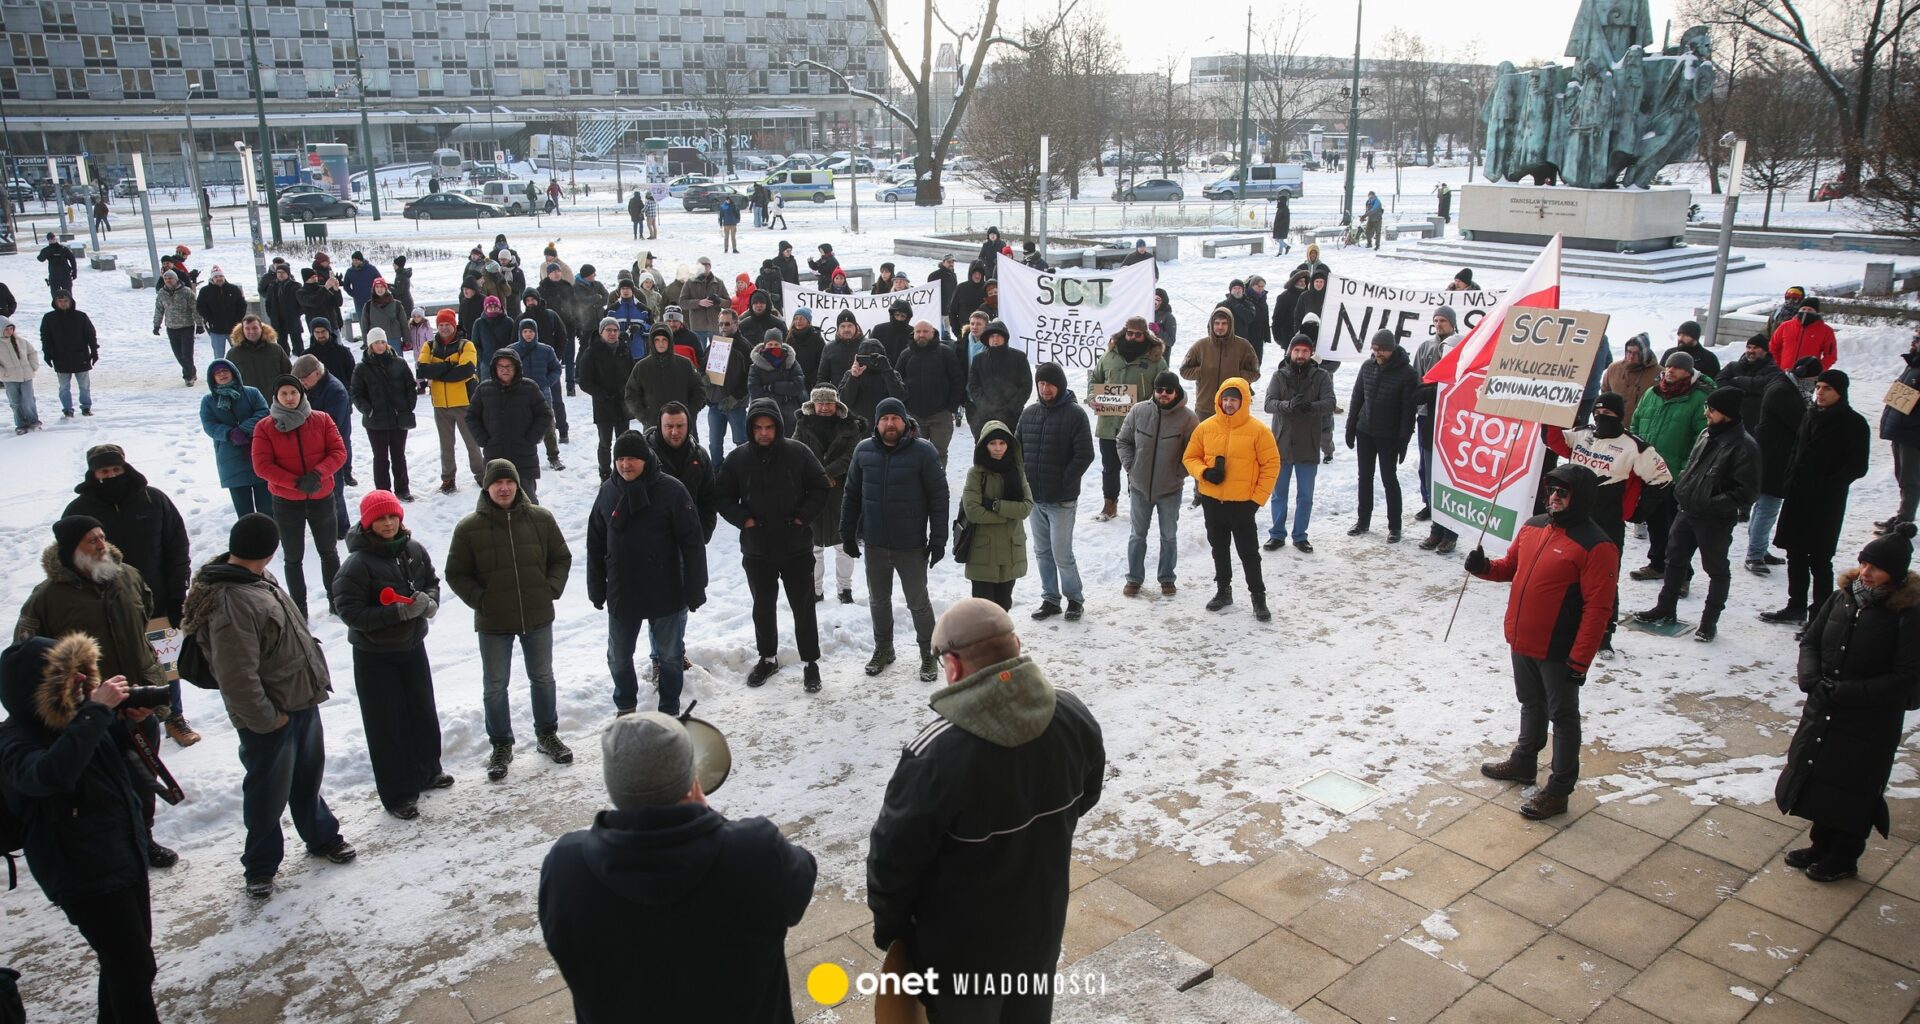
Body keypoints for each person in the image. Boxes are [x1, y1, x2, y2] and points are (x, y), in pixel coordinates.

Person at [866, 598, 1105, 1024]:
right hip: (1040, 929)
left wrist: (893, 930)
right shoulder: (1072, 715)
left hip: (959, 955)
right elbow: (1086, 796)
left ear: (953, 667)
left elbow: (894, 862)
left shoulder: (934, 755)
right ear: (1016, 645)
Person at [540, 712, 816, 1024]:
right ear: (692, 782)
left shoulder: (566, 868)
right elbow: (802, 878)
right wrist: (706, 818)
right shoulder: (754, 852)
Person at [182, 513, 356, 898]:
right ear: (270, 549)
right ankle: (260, 867)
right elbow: (236, 675)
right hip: (272, 715)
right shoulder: (230, 600)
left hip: (300, 699)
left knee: (307, 778)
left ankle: (322, 837)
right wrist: (266, 720)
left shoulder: (258, 578)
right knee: (266, 793)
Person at [0, 634, 162, 1023]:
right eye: (68, 677)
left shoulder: (80, 718)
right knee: (133, 967)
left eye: (81, 674)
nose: (79, 683)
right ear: (41, 687)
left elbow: (120, 768)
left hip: (121, 853)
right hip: (81, 871)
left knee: (127, 965)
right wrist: (95, 714)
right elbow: (51, 774)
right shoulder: (15, 739)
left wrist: (130, 723)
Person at [16, 515, 180, 864]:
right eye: (91, 540)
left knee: (142, 781)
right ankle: (109, 849)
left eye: (102, 536)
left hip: (138, 705)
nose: (101, 544)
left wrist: (149, 692)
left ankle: (142, 838)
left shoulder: (129, 577)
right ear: (70, 550)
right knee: (102, 787)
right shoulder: (46, 599)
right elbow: (27, 660)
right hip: (90, 715)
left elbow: (146, 631)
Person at [1466, 464, 1620, 820]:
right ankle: (1524, 761)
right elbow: (1510, 567)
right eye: (1552, 490)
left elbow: (1599, 609)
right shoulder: (1534, 527)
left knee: (1563, 718)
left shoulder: (1597, 546)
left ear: (1579, 498)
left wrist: (1580, 661)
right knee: (1529, 703)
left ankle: (1559, 789)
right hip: (1522, 639)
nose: (1554, 497)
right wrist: (1483, 567)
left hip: (1559, 650)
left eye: (1562, 492)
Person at [1772, 523, 1920, 883]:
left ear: (1896, 575)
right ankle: (1821, 843)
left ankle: (1845, 855)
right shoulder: (1844, 597)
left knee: (1855, 785)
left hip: (1870, 719)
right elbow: (1812, 640)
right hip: (1827, 705)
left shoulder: (1907, 614)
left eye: (1876, 567)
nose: (1867, 572)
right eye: (1864, 563)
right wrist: (1811, 679)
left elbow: (1905, 677)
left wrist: (1845, 693)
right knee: (1822, 775)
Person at [446, 460, 574, 780]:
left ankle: (547, 735)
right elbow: (455, 573)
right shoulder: (469, 528)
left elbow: (561, 557)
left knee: (542, 677)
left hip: (538, 615)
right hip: (493, 622)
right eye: (497, 483)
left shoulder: (541, 519)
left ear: (518, 485)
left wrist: (550, 590)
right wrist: (481, 600)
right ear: (487, 487)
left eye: (509, 482)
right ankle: (501, 744)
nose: (504, 488)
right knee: (495, 685)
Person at [63, 445, 197, 745]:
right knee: (115, 663)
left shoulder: (153, 499)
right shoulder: (79, 510)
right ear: (93, 474)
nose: (110, 476)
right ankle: (121, 722)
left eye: (115, 470)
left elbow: (177, 547)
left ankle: (174, 716)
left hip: (157, 600)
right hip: (104, 606)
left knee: (163, 663)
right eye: (103, 472)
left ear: (125, 468)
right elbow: (68, 558)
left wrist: (177, 594)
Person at [330, 491, 451, 819]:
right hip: (375, 656)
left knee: (422, 711)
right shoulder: (357, 564)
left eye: (392, 517)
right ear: (368, 523)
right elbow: (350, 612)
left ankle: (428, 770)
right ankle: (398, 794)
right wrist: (396, 614)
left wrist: (429, 600)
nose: (387, 523)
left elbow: (431, 582)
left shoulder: (412, 550)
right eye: (380, 519)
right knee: (387, 724)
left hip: (412, 646)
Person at [716, 399, 832, 692]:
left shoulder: (797, 452)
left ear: (778, 428)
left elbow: (820, 486)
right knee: (763, 607)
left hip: (796, 548)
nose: (764, 433)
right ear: (751, 429)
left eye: (769, 427)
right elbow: (721, 496)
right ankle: (767, 658)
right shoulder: (738, 458)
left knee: (803, 607)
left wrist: (802, 518)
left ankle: (810, 662)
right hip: (757, 550)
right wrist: (744, 520)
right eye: (758, 428)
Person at [588, 432, 707, 717]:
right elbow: (595, 541)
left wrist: (695, 586)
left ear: (646, 459)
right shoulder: (608, 491)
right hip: (623, 588)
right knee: (618, 657)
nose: (625, 464)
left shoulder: (672, 490)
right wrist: (596, 586)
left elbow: (692, 542)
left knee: (669, 656)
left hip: (665, 587)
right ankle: (626, 706)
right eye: (620, 458)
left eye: (632, 458)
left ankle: (669, 709)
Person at [1542, 393, 1672, 652]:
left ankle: (1604, 637)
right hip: (1573, 518)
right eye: (1598, 413)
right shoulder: (1583, 434)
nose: (1602, 418)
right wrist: (1550, 415)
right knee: (1565, 575)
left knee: (1604, 582)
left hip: (1607, 522)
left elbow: (1662, 478)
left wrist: (1639, 511)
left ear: (1620, 417)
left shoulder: (1634, 445)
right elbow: (1554, 440)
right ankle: (1568, 628)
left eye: (1609, 415)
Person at [1634, 388, 1761, 642]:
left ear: (1727, 413)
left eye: (1711, 410)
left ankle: (1708, 621)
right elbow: (1692, 466)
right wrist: (1683, 490)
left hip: (1714, 518)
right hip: (1687, 510)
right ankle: (1665, 608)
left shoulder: (1745, 446)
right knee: (1674, 560)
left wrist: (1712, 502)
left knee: (1716, 569)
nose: (1706, 413)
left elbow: (1747, 493)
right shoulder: (1706, 434)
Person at [842, 398, 949, 681]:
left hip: (911, 544)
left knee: (918, 602)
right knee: (878, 600)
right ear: (877, 423)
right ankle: (884, 648)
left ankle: (929, 654)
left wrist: (938, 539)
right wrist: (847, 534)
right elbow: (851, 494)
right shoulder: (863, 451)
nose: (890, 424)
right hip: (875, 542)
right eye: (885, 419)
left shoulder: (923, 452)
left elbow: (940, 497)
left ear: (905, 421)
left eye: (895, 418)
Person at [1763, 370, 1871, 626]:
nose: (1820, 392)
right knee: (1795, 555)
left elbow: (1857, 466)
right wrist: (1789, 478)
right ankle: (1795, 606)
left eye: (1827, 389)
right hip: (1798, 497)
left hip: (1825, 502)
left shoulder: (1854, 423)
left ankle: (1819, 616)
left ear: (1840, 393)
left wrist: (1827, 484)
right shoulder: (1809, 415)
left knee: (1820, 560)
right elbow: (1796, 450)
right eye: (1818, 387)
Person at [1183, 378, 1281, 619]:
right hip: (1212, 501)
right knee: (1219, 548)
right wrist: (1204, 473)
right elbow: (1190, 457)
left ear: (1243, 401)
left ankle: (1258, 597)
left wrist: (1257, 499)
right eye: (1225, 399)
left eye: (1233, 400)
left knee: (1248, 552)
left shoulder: (1258, 431)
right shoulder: (1205, 427)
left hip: (1243, 504)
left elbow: (1272, 465)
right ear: (1218, 400)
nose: (1228, 404)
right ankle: (1223, 591)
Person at [1016, 362, 1095, 622]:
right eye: (1041, 383)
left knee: (1062, 553)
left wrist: (1064, 480)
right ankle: (1050, 599)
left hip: (1062, 499)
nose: (1045, 388)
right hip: (1035, 498)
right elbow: (1017, 451)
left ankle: (1074, 599)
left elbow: (1084, 454)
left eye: (1049, 383)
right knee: (1042, 552)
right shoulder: (1028, 414)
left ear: (1060, 385)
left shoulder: (1075, 414)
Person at [1627, 350, 1715, 581]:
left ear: (1688, 372)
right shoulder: (1652, 393)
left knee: (1678, 530)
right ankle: (1657, 564)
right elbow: (1636, 422)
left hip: (1677, 474)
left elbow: (1703, 438)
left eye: (1676, 367)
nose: (1670, 370)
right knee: (1656, 523)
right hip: (1650, 473)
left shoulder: (1698, 399)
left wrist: (1687, 470)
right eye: (1668, 366)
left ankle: (1682, 575)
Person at [1115, 372, 1199, 595]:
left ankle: (1167, 578)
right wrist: (1132, 467)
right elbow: (1123, 441)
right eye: (1159, 389)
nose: (1163, 394)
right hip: (1140, 487)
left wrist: (1178, 473)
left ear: (1176, 391)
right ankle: (1134, 579)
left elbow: (1195, 452)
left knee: (1168, 536)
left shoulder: (1188, 418)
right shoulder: (1138, 411)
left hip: (1170, 489)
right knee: (1137, 535)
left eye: (1168, 391)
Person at [1087, 317, 1168, 523]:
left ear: (1145, 335)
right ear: (1125, 332)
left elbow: (1164, 388)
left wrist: (1153, 407)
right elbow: (1095, 378)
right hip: (1109, 424)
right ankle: (1109, 504)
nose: (1133, 337)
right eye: (1130, 333)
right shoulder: (1110, 355)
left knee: (1137, 466)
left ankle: (1138, 504)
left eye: (1138, 334)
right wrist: (1092, 397)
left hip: (1139, 425)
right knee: (1110, 466)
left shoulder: (1155, 359)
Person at [1722, 334, 1790, 571]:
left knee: (1761, 494)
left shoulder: (1773, 371)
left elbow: (1763, 386)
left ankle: (1756, 544)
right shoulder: (1733, 365)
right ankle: (1755, 547)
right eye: (1749, 346)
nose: (1751, 351)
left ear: (1765, 351)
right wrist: (1746, 385)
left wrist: (1739, 383)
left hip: (1756, 433)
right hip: (1735, 430)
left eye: (1756, 348)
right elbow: (1720, 384)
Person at [1264, 334, 1337, 553]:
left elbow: (1330, 402)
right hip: (1282, 443)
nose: (1300, 355)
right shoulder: (1279, 375)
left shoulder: (1321, 376)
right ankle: (1276, 534)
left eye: (1305, 351)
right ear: (1290, 352)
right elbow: (1268, 404)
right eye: (1297, 351)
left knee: (1305, 495)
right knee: (1279, 494)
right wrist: (1287, 405)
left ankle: (1300, 535)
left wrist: (1310, 407)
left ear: (1311, 353)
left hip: (1308, 444)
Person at [1347, 330, 1419, 542]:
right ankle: (1363, 520)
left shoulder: (1407, 374)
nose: (1376, 354)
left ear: (1391, 349)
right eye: (1374, 349)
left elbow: (1408, 412)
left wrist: (1403, 441)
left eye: (1381, 350)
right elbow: (1357, 396)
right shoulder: (1367, 367)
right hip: (1365, 430)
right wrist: (1351, 427)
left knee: (1389, 478)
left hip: (1388, 435)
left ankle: (1395, 526)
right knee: (1364, 477)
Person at [795, 386, 863, 604]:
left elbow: (852, 453)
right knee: (813, 547)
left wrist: (829, 473)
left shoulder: (850, 426)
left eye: (828, 403)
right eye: (820, 403)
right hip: (811, 493)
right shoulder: (802, 424)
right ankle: (815, 590)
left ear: (837, 405)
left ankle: (845, 589)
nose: (824, 408)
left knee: (843, 545)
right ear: (813, 405)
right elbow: (796, 452)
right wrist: (818, 477)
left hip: (842, 490)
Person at [467, 349, 555, 504]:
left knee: (528, 503)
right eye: (501, 366)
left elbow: (545, 414)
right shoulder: (484, 389)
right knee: (495, 504)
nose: (505, 370)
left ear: (516, 368)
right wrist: (483, 439)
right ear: (494, 368)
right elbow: (471, 416)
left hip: (523, 456)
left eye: (509, 366)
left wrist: (531, 437)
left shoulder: (529, 387)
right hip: (494, 455)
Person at [417, 308, 485, 493]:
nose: (444, 328)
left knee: (472, 442)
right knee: (445, 445)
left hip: (463, 402)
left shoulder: (466, 345)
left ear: (454, 325)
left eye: (447, 324)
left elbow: (465, 371)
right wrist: (449, 366)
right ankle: (448, 478)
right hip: (440, 404)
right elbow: (422, 370)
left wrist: (437, 372)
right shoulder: (429, 346)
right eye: (441, 325)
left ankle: (481, 474)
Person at [1413, 306, 1463, 549]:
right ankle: (1436, 526)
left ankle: (1450, 534)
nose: (1439, 324)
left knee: (1451, 481)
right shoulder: (1427, 347)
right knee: (1431, 474)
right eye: (1436, 320)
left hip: (1455, 431)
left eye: (1444, 320)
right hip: (1430, 423)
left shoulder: (1464, 357)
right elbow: (1418, 384)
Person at [349, 329, 418, 501]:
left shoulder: (399, 363)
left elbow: (411, 386)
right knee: (380, 458)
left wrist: (408, 406)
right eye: (376, 342)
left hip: (398, 418)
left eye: (382, 342)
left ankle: (402, 489)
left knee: (398, 455)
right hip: (375, 421)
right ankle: (383, 492)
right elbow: (356, 393)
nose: (380, 345)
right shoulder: (362, 368)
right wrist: (368, 410)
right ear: (370, 345)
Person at [200, 359, 273, 517]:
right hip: (230, 458)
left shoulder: (252, 393)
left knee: (267, 508)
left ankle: (270, 536)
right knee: (244, 510)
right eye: (218, 373)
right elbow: (209, 424)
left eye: (225, 371)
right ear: (212, 378)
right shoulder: (208, 401)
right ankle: (249, 539)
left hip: (258, 452)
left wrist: (244, 429)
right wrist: (229, 433)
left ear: (233, 373)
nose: (222, 374)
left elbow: (263, 412)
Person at [294, 353, 356, 532]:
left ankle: (341, 528)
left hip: (330, 450)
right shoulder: (313, 387)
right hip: (315, 448)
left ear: (316, 372)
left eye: (304, 379)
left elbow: (330, 425)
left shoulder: (334, 391)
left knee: (334, 490)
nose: (302, 383)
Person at [897, 319, 965, 467]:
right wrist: (904, 407)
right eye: (918, 331)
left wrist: (951, 407)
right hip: (913, 415)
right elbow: (897, 382)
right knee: (912, 452)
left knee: (938, 453)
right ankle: (916, 487)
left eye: (925, 331)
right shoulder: (905, 355)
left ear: (933, 333)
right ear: (913, 334)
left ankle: (937, 485)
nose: (921, 335)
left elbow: (957, 380)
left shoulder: (946, 352)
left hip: (940, 415)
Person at [648, 403, 718, 542]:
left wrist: (703, 533)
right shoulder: (646, 457)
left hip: (690, 539)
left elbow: (709, 498)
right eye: (669, 426)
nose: (675, 432)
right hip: (654, 543)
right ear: (660, 426)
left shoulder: (700, 456)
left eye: (680, 426)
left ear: (689, 426)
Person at [578, 317, 637, 480]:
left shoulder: (624, 349)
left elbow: (632, 373)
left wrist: (630, 393)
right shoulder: (591, 352)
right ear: (601, 332)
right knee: (605, 443)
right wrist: (602, 394)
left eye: (615, 330)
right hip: (603, 405)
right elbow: (584, 382)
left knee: (624, 441)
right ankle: (604, 472)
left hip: (623, 404)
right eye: (608, 330)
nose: (612, 333)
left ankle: (623, 471)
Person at [1179, 307, 1262, 420]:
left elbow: (1255, 373)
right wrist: (1202, 371)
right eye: (1217, 323)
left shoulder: (1243, 346)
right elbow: (1184, 371)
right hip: (1205, 408)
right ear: (1211, 325)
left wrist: (1238, 375)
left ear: (1231, 325)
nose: (1220, 327)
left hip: (1234, 408)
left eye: (1224, 323)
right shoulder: (1200, 346)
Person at [624, 323, 707, 434]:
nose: (661, 343)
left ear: (670, 341)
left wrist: (690, 412)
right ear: (652, 342)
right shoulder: (642, 367)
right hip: (653, 426)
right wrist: (644, 416)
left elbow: (699, 390)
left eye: (664, 340)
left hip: (682, 425)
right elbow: (631, 394)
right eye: (657, 340)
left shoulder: (685, 364)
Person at [1877, 327, 1920, 535]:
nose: (1915, 342)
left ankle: (1905, 521)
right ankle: (1902, 515)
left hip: (1912, 433)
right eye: (1915, 337)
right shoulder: (1913, 364)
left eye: (1918, 339)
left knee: (1910, 479)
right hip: (1902, 429)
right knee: (1902, 475)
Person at [703, 309, 752, 465]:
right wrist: (703, 378)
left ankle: (744, 473)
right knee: (714, 444)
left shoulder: (744, 347)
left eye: (727, 323)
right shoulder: (715, 343)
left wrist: (735, 397)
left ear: (736, 324)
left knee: (742, 443)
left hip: (735, 405)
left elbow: (749, 378)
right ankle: (716, 472)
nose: (723, 327)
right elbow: (702, 365)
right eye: (720, 324)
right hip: (715, 403)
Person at [40, 289, 98, 418]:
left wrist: (94, 351)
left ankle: (86, 407)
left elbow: (90, 335)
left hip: (81, 356)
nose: (63, 303)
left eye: (66, 300)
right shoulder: (49, 318)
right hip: (60, 357)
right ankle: (67, 409)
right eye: (60, 301)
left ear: (71, 301)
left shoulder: (81, 316)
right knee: (64, 387)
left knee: (84, 386)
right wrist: (47, 353)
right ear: (55, 302)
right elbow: (45, 337)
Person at [968, 320, 1034, 431]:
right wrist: (985, 407)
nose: (995, 339)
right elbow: (974, 386)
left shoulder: (1019, 357)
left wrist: (1012, 408)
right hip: (985, 416)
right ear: (987, 338)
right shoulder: (978, 359)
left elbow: (1026, 385)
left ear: (1005, 338)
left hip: (1013, 415)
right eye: (992, 336)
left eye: (998, 335)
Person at [835, 337, 907, 426]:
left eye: (873, 358)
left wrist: (887, 370)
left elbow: (900, 398)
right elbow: (843, 402)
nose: (869, 361)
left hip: (885, 427)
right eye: (865, 357)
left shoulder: (891, 373)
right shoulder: (850, 374)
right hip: (859, 427)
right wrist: (854, 378)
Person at [748, 332, 807, 434]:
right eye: (770, 344)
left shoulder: (792, 362)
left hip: (791, 413)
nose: (773, 347)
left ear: (781, 345)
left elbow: (798, 386)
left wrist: (771, 387)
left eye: (776, 344)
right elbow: (756, 393)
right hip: (765, 413)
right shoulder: (755, 367)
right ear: (764, 345)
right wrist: (783, 395)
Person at [152, 269, 202, 386]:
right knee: (178, 354)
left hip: (186, 326)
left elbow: (195, 308)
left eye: (170, 278)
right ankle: (191, 371)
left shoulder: (186, 292)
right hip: (171, 327)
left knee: (186, 354)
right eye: (166, 278)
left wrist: (199, 324)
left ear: (176, 279)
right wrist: (156, 325)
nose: (168, 280)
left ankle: (188, 376)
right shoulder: (162, 293)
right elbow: (159, 310)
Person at [226, 314, 290, 403]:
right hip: (248, 402)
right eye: (247, 328)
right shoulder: (233, 354)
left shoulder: (275, 349)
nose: (251, 331)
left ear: (261, 329)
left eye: (255, 328)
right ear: (242, 330)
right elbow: (229, 381)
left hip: (276, 401)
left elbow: (288, 373)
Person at [1600, 333, 1660, 423]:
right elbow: (1605, 392)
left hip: (1641, 427)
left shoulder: (1659, 374)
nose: (1631, 356)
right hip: (1613, 425)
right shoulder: (1614, 368)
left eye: (1636, 353)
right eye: (1629, 352)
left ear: (1644, 353)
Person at [1769, 294, 1838, 372]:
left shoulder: (1826, 331)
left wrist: (1818, 370)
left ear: (1816, 312)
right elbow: (1773, 347)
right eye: (1803, 309)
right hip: (1783, 372)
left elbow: (1830, 356)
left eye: (1810, 310)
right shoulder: (1785, 326)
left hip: (1808, 375)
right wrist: (1778, 365)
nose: (1806, 312)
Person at [0, 316, 43, 434]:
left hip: (26, 376)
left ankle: (34, 422)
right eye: (6, 329)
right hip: (9, 378)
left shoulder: (21, 341)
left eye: (11, 328)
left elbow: (32, 352)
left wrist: (33, 366)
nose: (9, 331)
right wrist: (2, 373)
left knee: (28, 400)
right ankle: (20, 424)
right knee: (15, 402)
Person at [195, 266, 247, 362]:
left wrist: (238, 319)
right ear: (212, 278)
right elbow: (200, 307)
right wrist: (210, 319)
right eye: (216, 277)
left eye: (220, 276)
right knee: (219, 355)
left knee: (239, 353)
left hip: (233, 328)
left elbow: (242, 304)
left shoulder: (233, 289)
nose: (219, 279)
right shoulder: (205, 291)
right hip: (216, 329)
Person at [263, 262, 305, 354]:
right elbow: (268, 302)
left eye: (283, 272)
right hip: (278, 320)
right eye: (278, 272)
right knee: (282, 346)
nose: (280, 275)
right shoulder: (272, 285)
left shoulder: (295, 286)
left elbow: (302, 303)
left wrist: (296, 313)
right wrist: (271, 314)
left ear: (288, 273)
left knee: (298, 345)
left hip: (292, 319)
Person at [37, 232, 78, 300]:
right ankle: (58, 309)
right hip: (54, 276)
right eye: (50, 239)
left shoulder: (63, 249)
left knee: (68, 295)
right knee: (55, 296)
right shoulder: (47, 250)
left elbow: (72, 259)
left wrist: (74, 272)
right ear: (48, 240)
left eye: (53, 238)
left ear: (55, 239)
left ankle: (70, 309)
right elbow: (40, 259)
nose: (52, 240)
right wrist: (46, 252)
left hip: (65, 274)